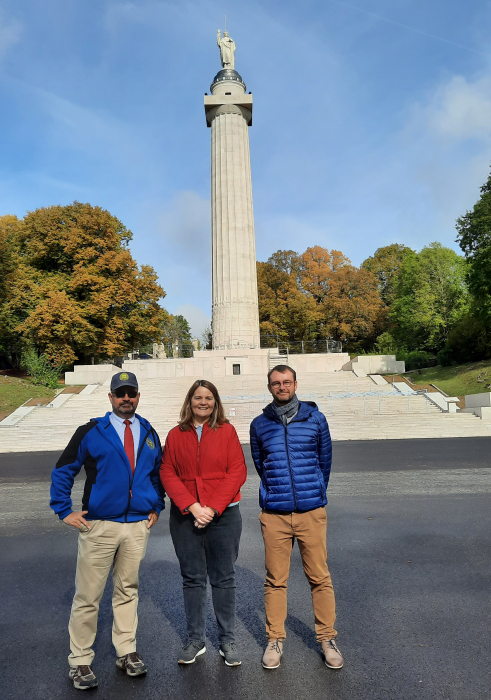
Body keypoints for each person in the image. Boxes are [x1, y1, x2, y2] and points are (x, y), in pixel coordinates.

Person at [50, 371, 164, 690]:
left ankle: (126, 651)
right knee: (88, 596)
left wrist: (156, 507)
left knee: (128, 590)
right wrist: (63, 510)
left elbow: (157, 474)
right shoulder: (91, 431)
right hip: (99, 526)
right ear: (110, 397)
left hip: (136, 526)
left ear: (138, 396)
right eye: (120, 393)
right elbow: (63, 470)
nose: (126, 398)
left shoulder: (149, 431)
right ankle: (80, 661)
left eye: (131, 393)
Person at [250, 365, 343, 671]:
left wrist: (312, 492)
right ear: (269, 387)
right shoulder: (259, 424)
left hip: (310, 512)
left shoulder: (316, 419)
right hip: (275, 514)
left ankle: (327, 638)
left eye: (286, 382)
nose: (281, 386)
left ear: (295, 384)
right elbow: (261, 464)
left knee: (319, 577)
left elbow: (324, 462)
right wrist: (279, 493)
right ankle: (275, 638)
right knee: (275, 580)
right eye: (276, 383)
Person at [160, 379, 247, 667]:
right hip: (186, 515)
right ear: (190, 401)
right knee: (193, 578)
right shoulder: (175, 435)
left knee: (224, 578)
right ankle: (195, 639)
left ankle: (226, 639)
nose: (203, 402)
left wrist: (212, 508)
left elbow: (237, 470)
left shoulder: (227, 431)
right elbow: (168, 472)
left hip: (223, 514)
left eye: (208, 397)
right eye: (198, 397)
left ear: (215, 402)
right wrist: (193, 506)